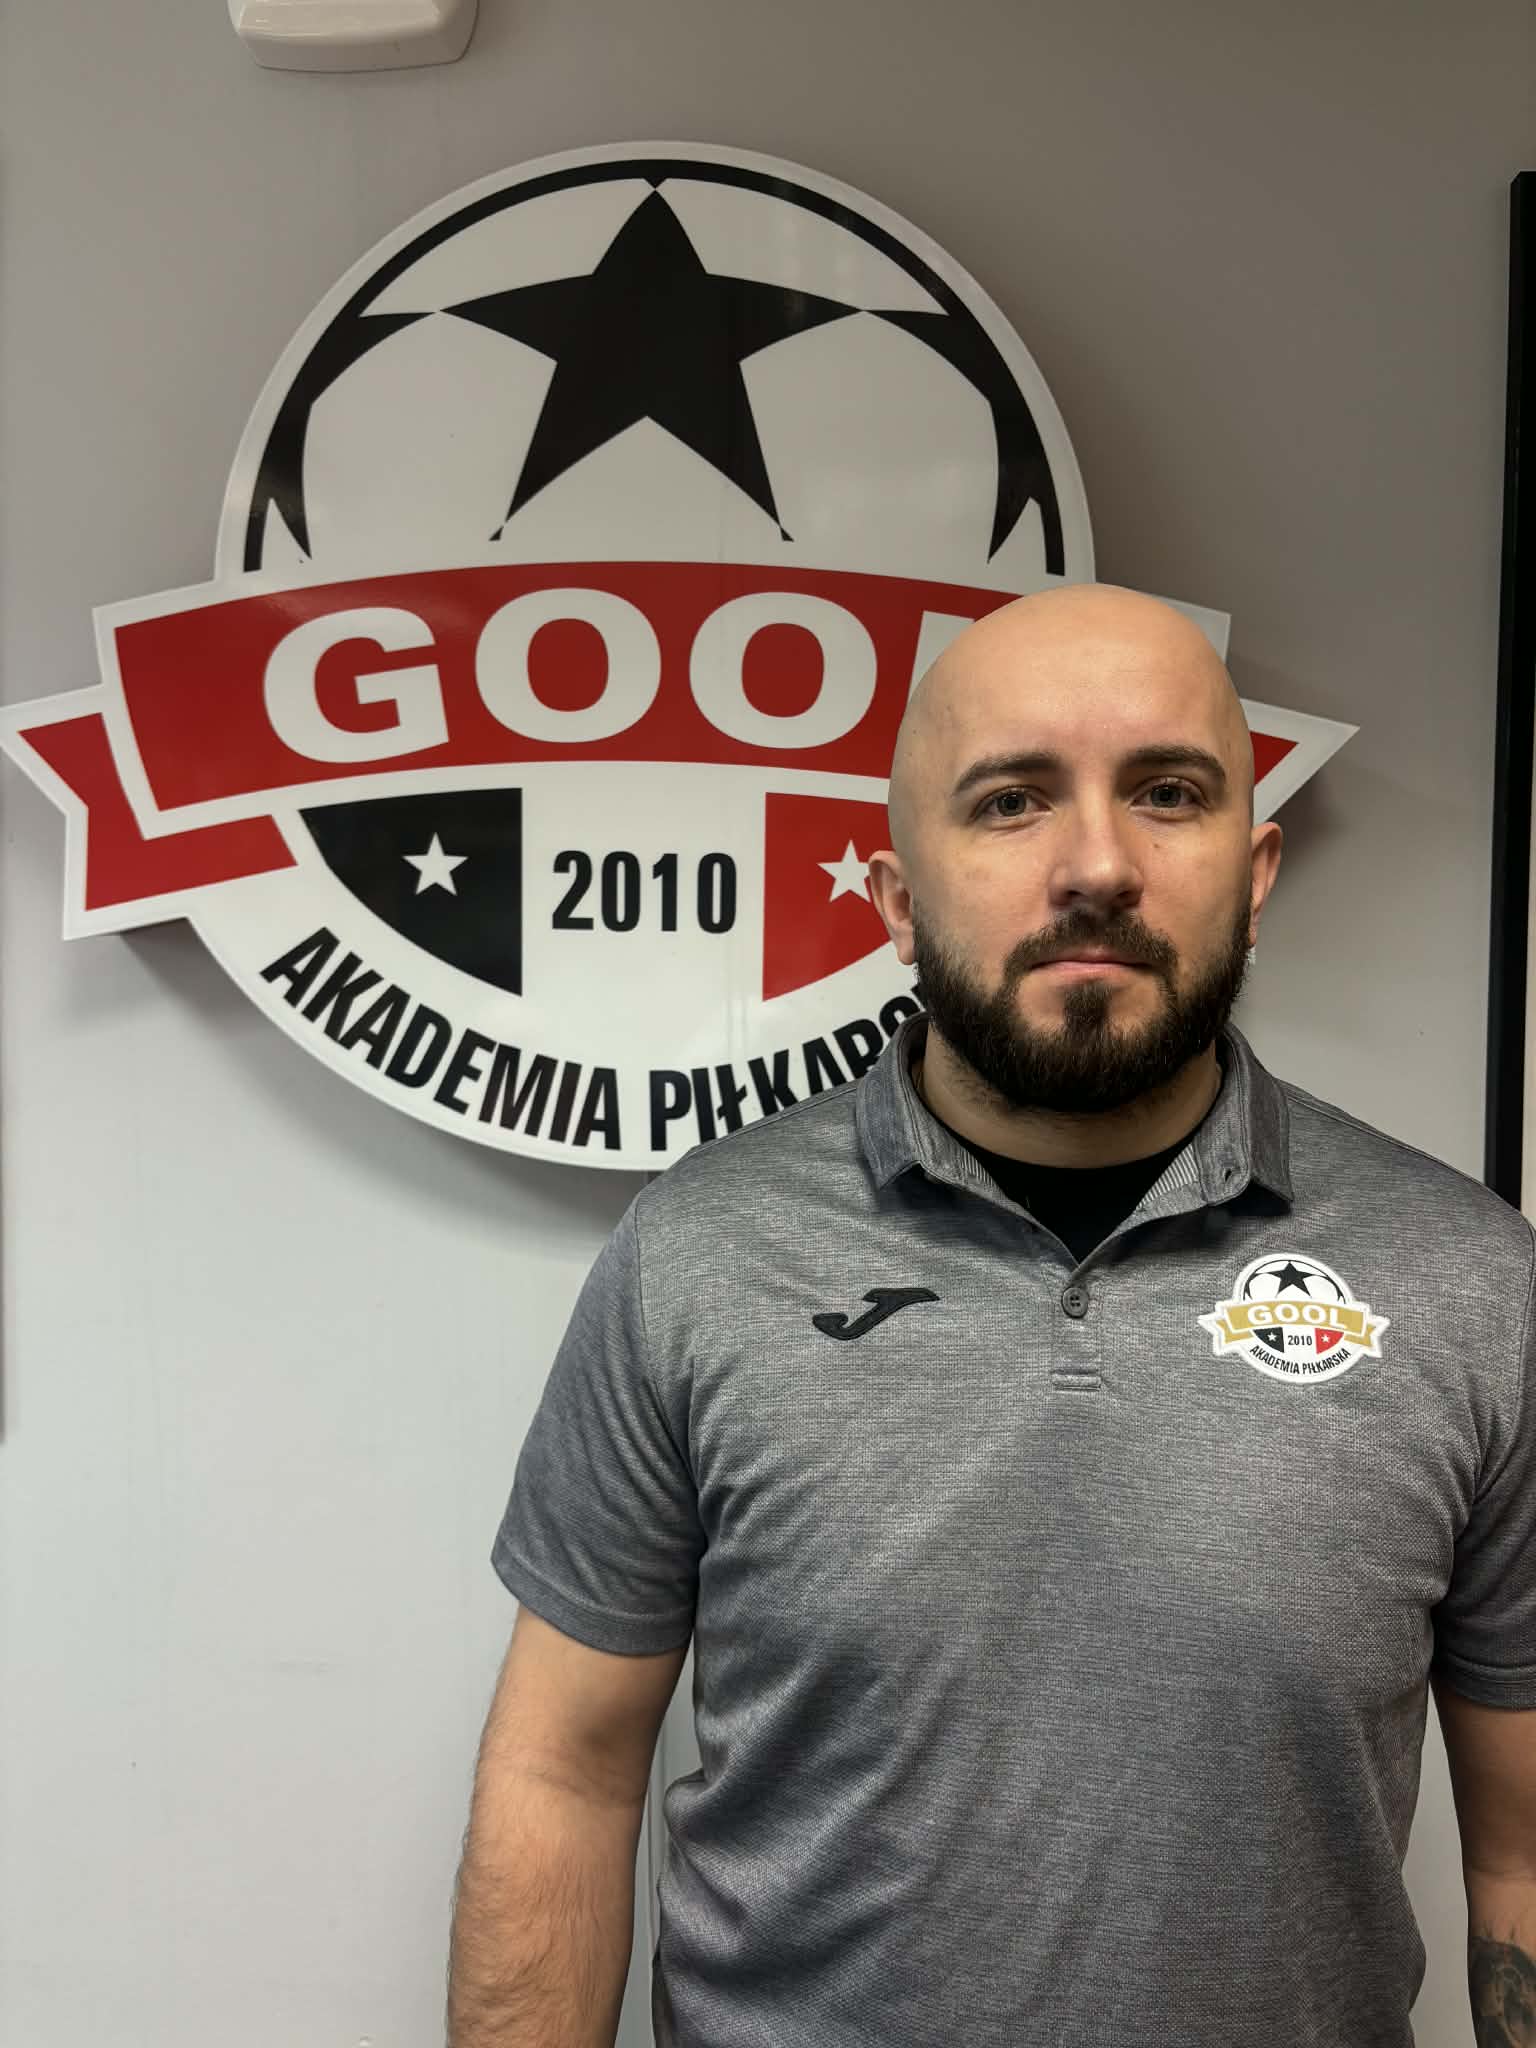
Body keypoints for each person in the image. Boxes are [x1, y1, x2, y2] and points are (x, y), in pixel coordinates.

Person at [447, 584, 1536, 2047]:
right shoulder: (698, 1256)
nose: (1098, 866)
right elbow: (565, 1776)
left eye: (1168, 793)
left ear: (1256, 870)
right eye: (1012, 801)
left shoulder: (1472, 1285)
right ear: (899, 900)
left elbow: (1521, 1852)